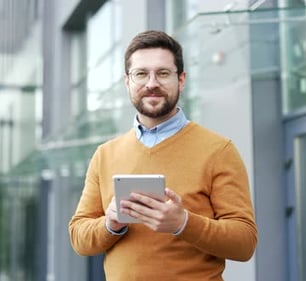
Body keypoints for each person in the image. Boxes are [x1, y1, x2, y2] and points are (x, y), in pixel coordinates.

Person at [69, 30, 257, 281]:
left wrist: (183, 223)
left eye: (163, 73)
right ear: (127, 81)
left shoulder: (219, 151)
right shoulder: (105, 155)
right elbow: (79, 237)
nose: (152, 83)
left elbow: (244, 242)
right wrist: (110, 224)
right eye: (141, 74)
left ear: (181, 79)